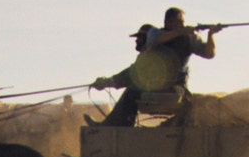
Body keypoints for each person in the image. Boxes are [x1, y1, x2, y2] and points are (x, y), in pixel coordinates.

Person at [87, 7, 220, 126]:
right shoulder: (156, 37)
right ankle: (114, 125)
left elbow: (209, 53)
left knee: (133, 90)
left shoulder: (188, 39)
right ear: (170, 22)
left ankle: (111, 127)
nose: (137, 41)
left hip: (175, 89)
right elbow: (135, 70)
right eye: (181, 23)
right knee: (133, 90)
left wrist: (210, 35)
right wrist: (108, 82)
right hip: (158, 88)